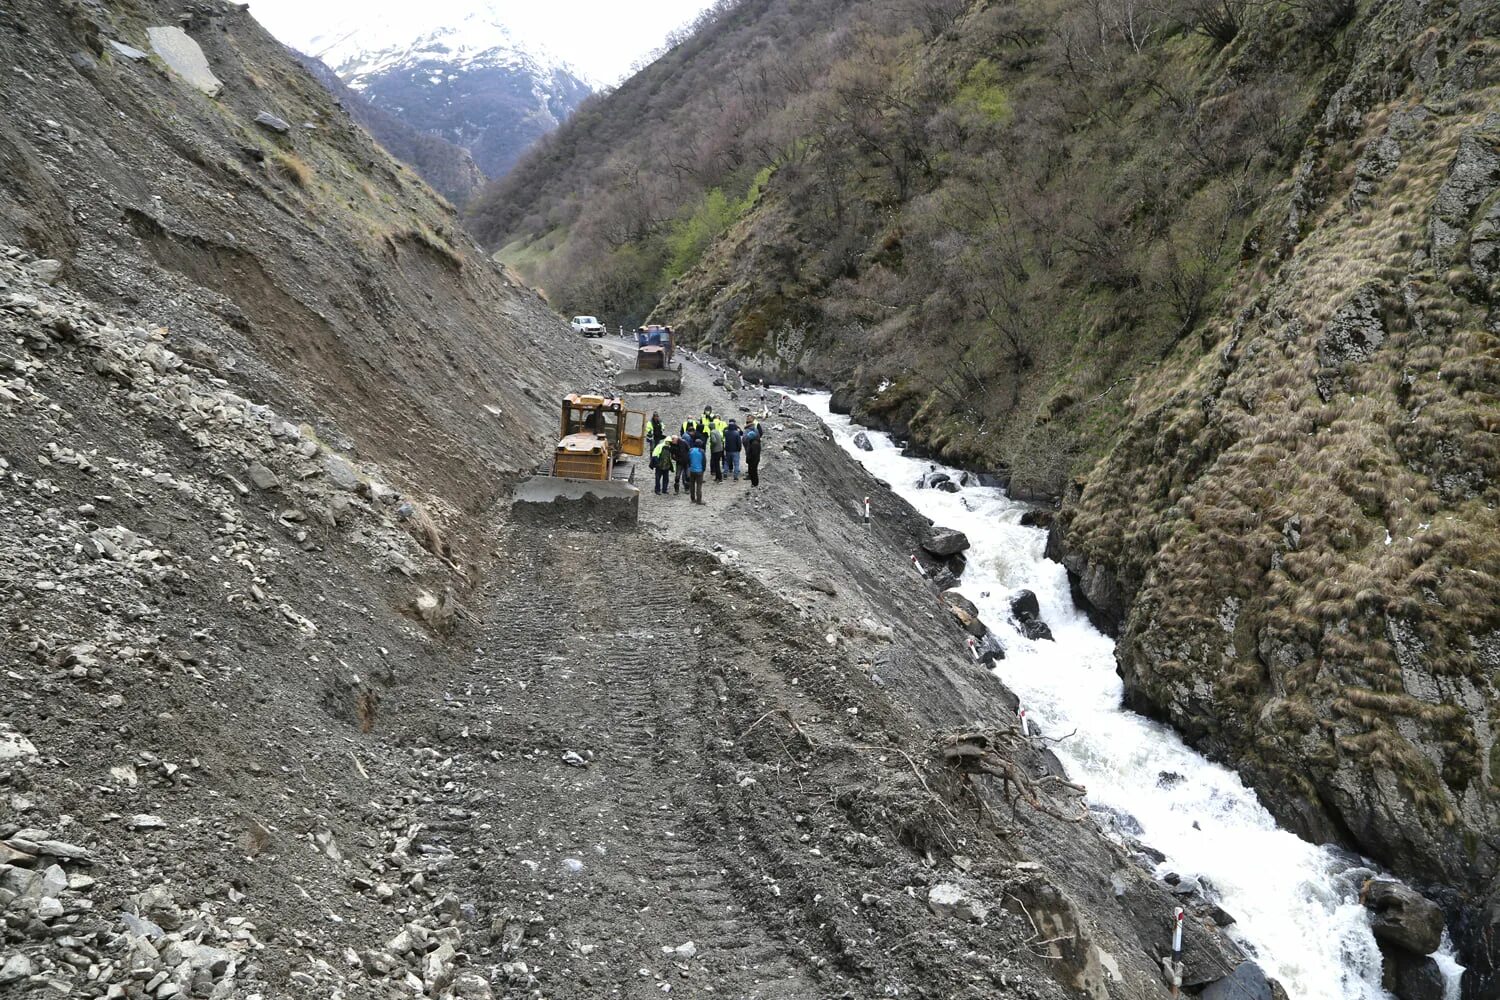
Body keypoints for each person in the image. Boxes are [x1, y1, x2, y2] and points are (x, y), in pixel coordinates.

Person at [687, 436, 706, 504]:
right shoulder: (701, 451)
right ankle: (699, 500)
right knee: (699, 486)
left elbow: (688, 460)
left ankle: (692, 499)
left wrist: (690, 466)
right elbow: (704, 461)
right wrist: (703, 469)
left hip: (692, 470)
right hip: (699, 470)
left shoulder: (690, 450)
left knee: (692, 485)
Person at [743, 421, 762, 488]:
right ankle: (753, 483)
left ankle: (755, 484)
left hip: (753, 460)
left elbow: (754, 454)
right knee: (752, 471)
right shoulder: (754, 442)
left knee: (753, 471)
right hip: (753, 460)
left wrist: (749, 458)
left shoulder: (754, 444)